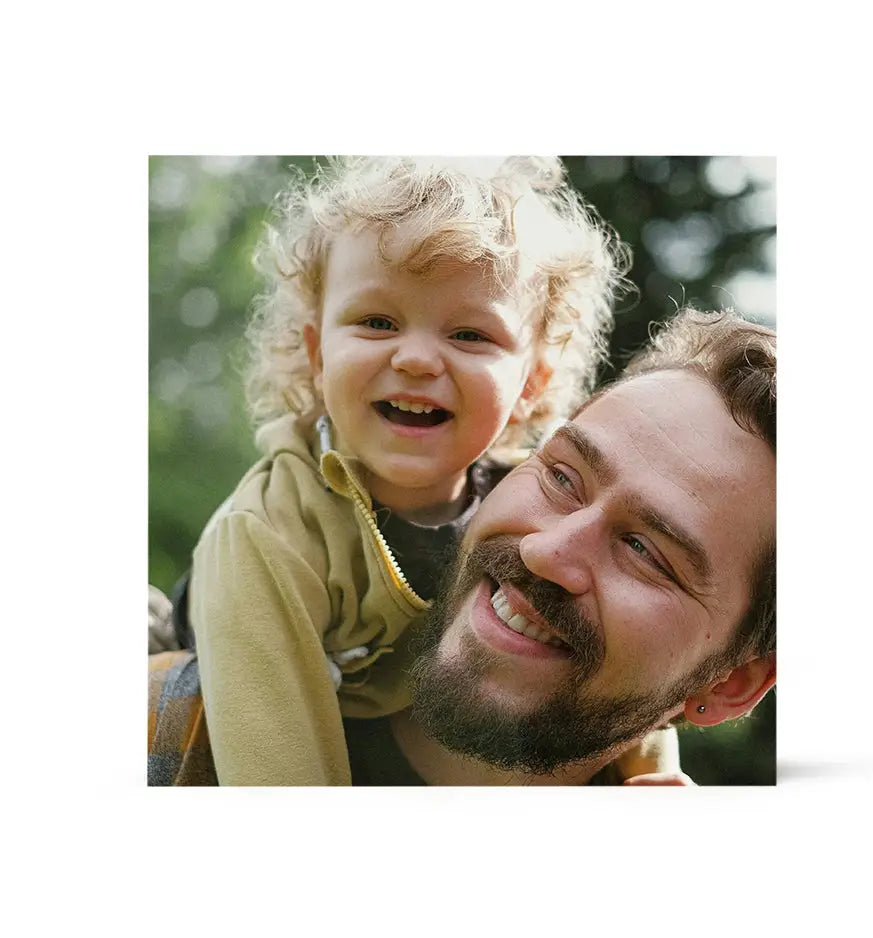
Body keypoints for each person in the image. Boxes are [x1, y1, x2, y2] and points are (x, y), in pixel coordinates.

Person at [169, 156, 678, 786]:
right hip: (233, 674)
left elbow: (620, 650)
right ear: (317, 354)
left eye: (469, 335)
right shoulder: (266, 535)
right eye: (377, 322)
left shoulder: (537, 510)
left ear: (531, 385)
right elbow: (275, 769)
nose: (414, 359)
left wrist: (647, 775)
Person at [149, 307, 775, 786]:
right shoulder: (160, 739)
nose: (544, 552)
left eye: (646, 551)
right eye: (561, 477)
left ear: (732, 684)